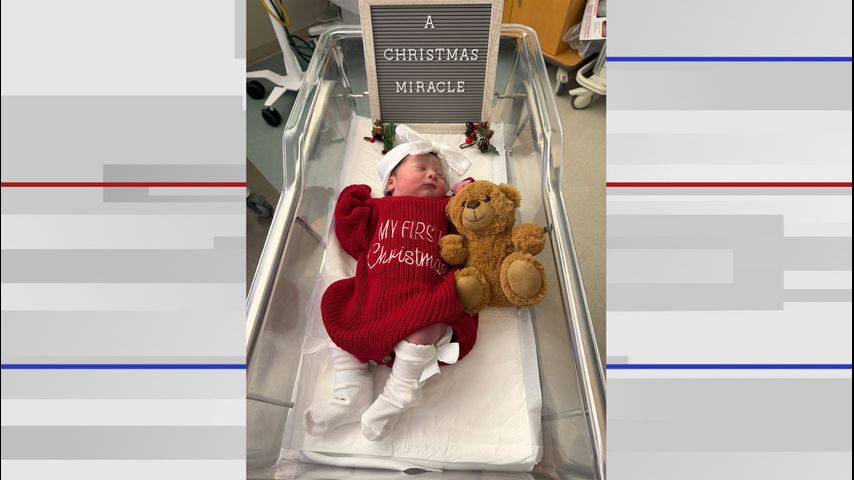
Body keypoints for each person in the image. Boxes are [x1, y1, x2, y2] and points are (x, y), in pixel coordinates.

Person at [304, 126, 477, 441]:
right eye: (420, 168)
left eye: (440, 174)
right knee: (336, 306)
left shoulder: (446, 211)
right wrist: (353, 196)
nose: (433, 175)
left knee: (431, 320)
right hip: (374, 296)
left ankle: (398, 393)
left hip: (423, 297)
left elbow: (473, 233)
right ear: (390, 183)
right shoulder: (377, 209)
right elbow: (350, 236)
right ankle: (351, 392)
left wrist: (466, 197)